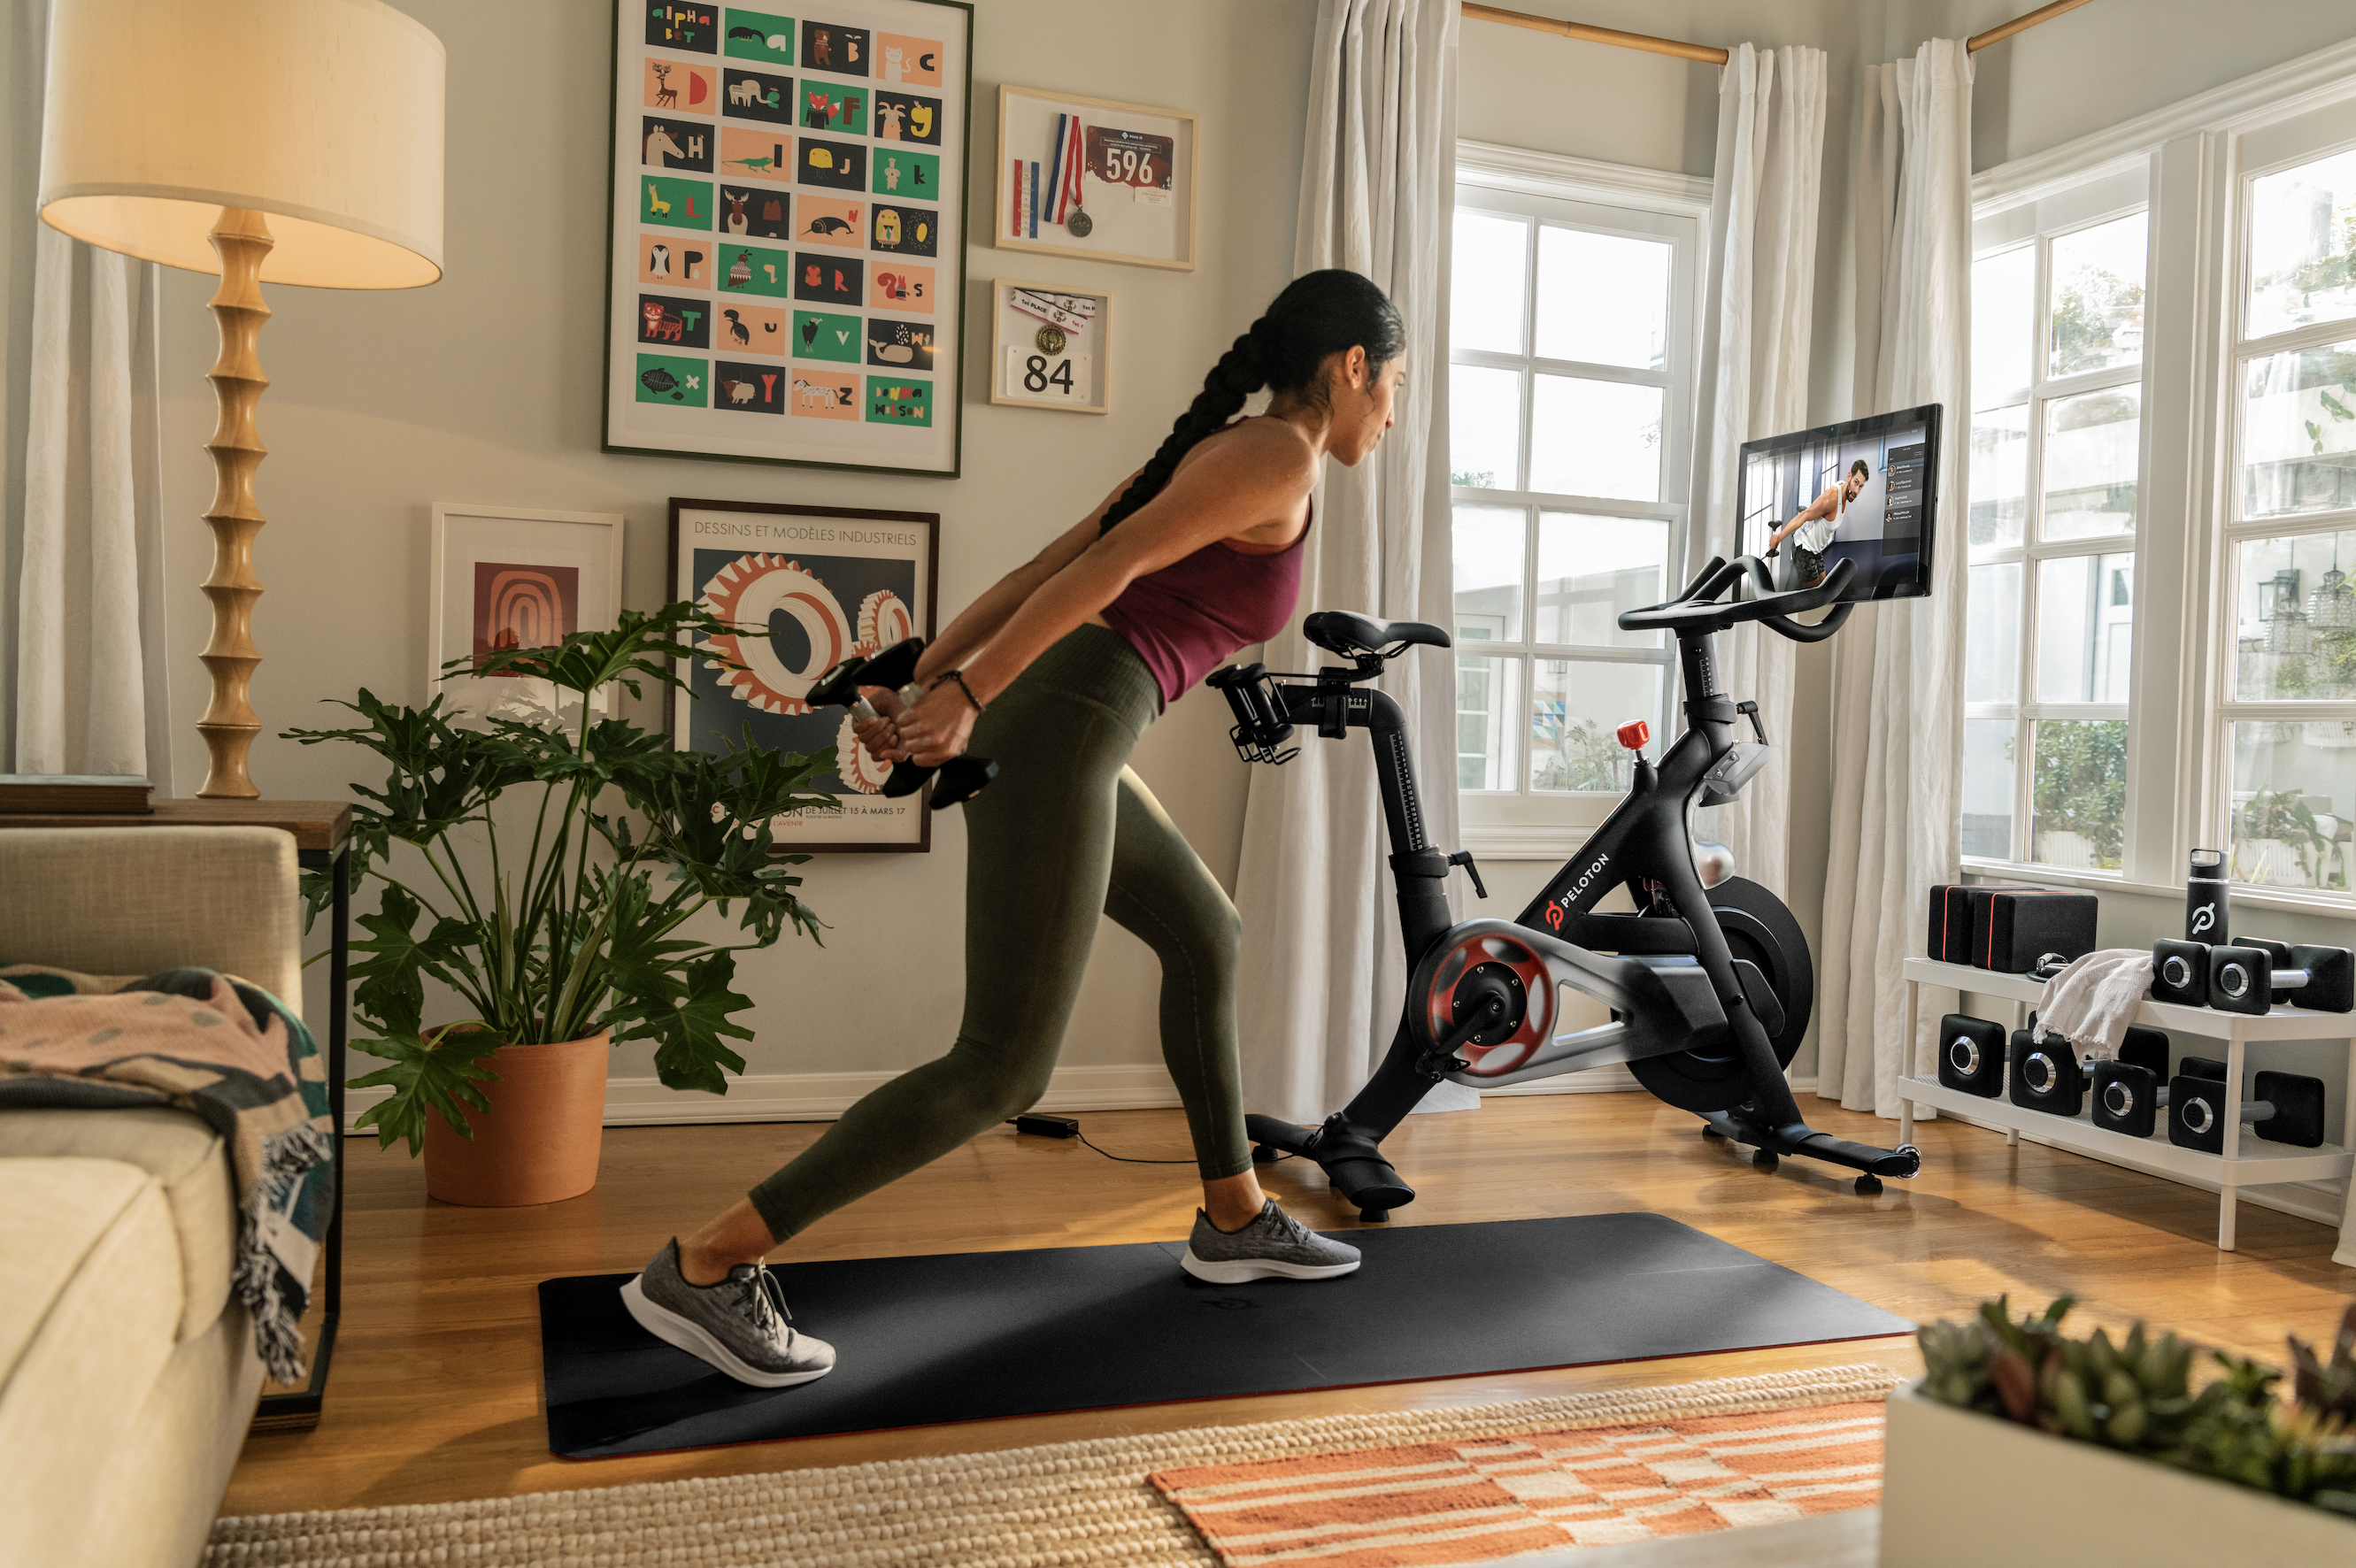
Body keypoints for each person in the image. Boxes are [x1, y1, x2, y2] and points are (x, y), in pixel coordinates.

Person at [620, 269, 1411, 1388]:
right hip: (1060, 725)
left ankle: (1233, 1213)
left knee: (1206, 934)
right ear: (1350, 369)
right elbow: (1100, 570)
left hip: (1066, 725)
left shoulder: (1220, 452)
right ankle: (706, 1263)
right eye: (1395, 387)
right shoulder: (1273, 455)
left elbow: (1047, 564)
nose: (1392, 415)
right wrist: (969, 693)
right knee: (1001, 1068)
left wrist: (929, 673)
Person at [1767, 457, 1869, 588]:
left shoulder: (1845, 490)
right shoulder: (1831, 499)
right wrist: (1779, 538)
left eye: (1861, 486)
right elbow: (1803, 516)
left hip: (1816, 549)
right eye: (1856, 482)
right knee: (1815, 597)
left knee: (1825, 588)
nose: (1857, 491)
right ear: (1849, 476)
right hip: (1804, 547)